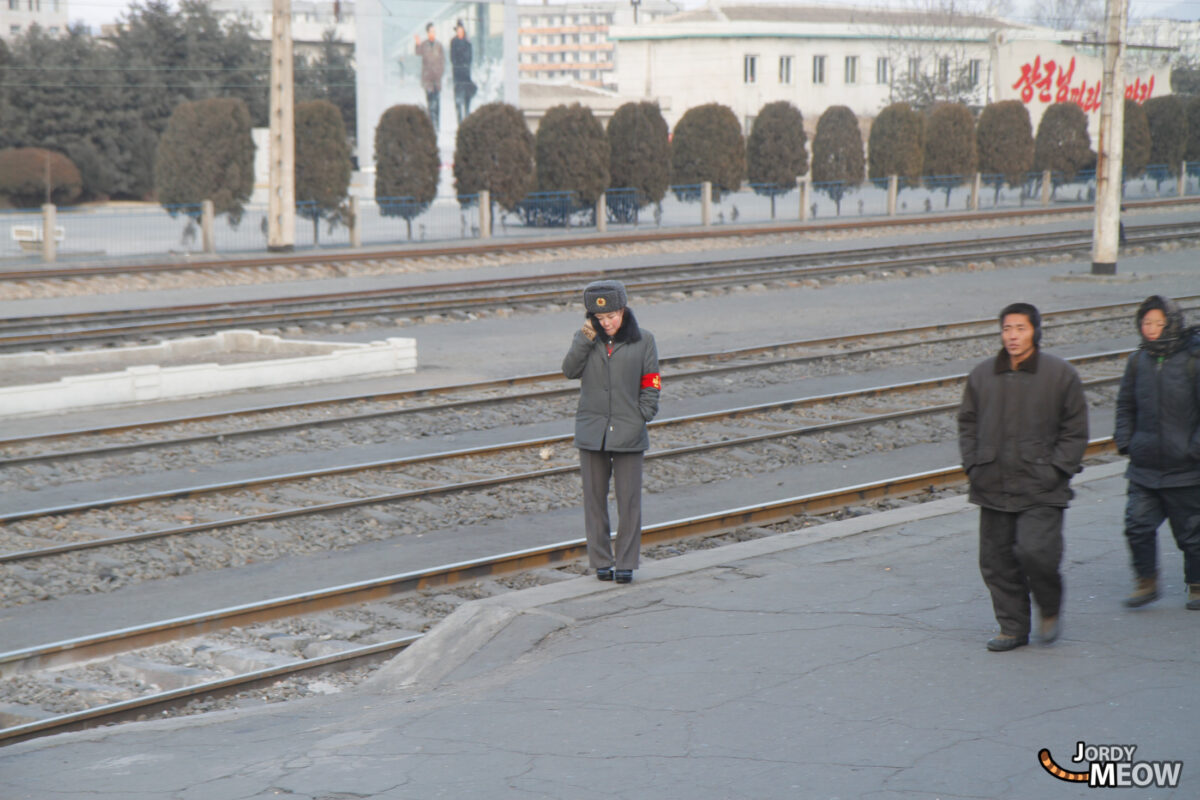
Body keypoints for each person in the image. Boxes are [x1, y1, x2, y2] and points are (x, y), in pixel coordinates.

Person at [958, 302, 1089, 651]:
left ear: (1035, 331)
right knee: (996, 562)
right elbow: (967, 423)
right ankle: (1012, 628)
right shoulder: (982, 375)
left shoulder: (1059, 375)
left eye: (1020, 329)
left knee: (1036, 553)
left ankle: (1048, 606)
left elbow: (1075, 430)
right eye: (1007, 329)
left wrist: (1057, 469)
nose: (1012, 336)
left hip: (1042, 485)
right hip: (993, 482)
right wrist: (973, 464)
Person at [562, 280, 660, 584]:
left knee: (629, 500)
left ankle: (627, 562)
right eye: (600, 319)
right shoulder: (587, 338)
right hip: (592, 431)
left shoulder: (644, 340)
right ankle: (601, 561)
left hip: (629, 430)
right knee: (594, 499)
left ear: (624, 310)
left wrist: (644, 414)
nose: (607, 323)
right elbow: (569, 370)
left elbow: (652, 382)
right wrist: (585, 336)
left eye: (612, 316)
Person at [1113, 295, 1200, 610]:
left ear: (1172, 324)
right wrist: (1127, 441)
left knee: (1191, 533)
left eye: (1158, 323)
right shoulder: (1138, 361)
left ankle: (1197, 584)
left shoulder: (1193, 360)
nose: (1151, 329)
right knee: (1137, 524)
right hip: (1145, 465)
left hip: (1186, 467)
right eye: (1146, 322)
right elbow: (1125, 405)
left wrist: (1194, 450)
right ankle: (1145, 581)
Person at [414, 22, 445, 128]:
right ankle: (432, 124)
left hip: (437, 80)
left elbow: (443, 61)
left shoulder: (439, 45)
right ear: (428, 33)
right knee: (430, 102)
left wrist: (440, 73)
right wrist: (417, 43)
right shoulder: (424, 45)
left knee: (437, 102)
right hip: (427, 80)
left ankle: (437, 124)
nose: (433, 33)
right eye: (431, 31)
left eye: (434, 31)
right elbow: (418, 52)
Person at [450, 19, 475, 124]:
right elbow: (452, 58)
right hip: (457, 75)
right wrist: (459, 65)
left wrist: (465, 66)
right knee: (458, 101)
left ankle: (467, 119)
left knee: (467, 99)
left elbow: (470, 58)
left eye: (461, 29)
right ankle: (459, 121)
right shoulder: (454, 42)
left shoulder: (468, 42)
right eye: (458, 30)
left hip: (466, 75)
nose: (460, 32)